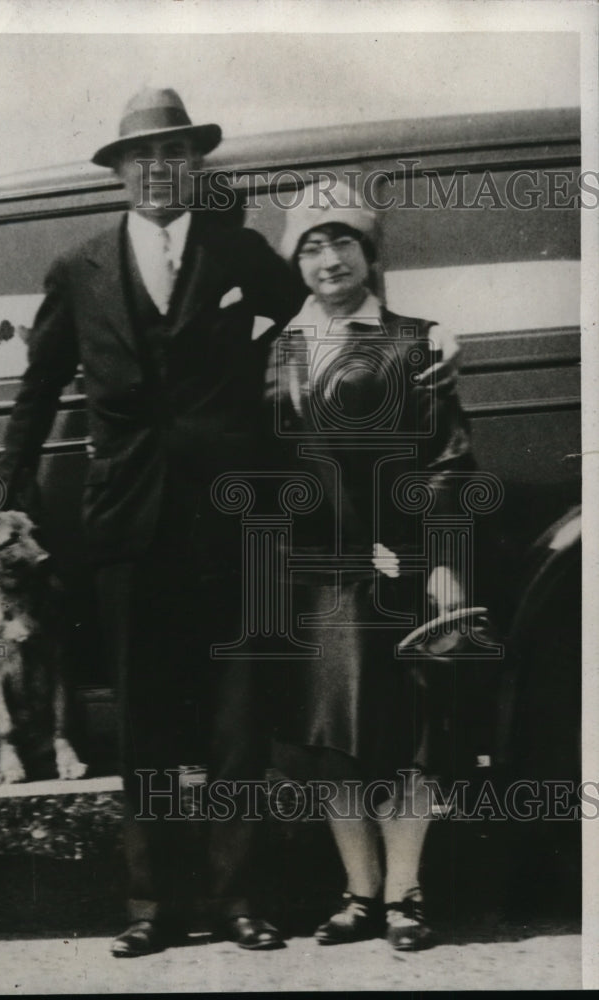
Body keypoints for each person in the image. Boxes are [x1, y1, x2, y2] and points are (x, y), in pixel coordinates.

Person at [0, 87, 305, 956]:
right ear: (121, 174)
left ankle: (242, 901)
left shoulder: (241, 252)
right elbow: (37, 391)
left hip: (239, 520)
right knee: (148, 725)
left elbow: (317, 316)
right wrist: (7, 496)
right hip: (131, 523)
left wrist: (418, 348)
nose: (158, 173)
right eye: (141, 159)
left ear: (194, 168)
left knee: (241, 727)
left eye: (174, 157)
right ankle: (152, 907)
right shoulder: (79, 268)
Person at [264, 180, 477, 951]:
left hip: (398, 565)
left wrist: (433, 560)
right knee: (330, 741)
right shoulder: (274, 351)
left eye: (342, 241)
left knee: (407, 734)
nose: (328, 258)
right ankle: (358, 895)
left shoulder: (415, 340)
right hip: (310, 571)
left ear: (369, 252)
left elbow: (450, 462)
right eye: (312, 246)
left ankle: (407, 894)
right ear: (296, 263)